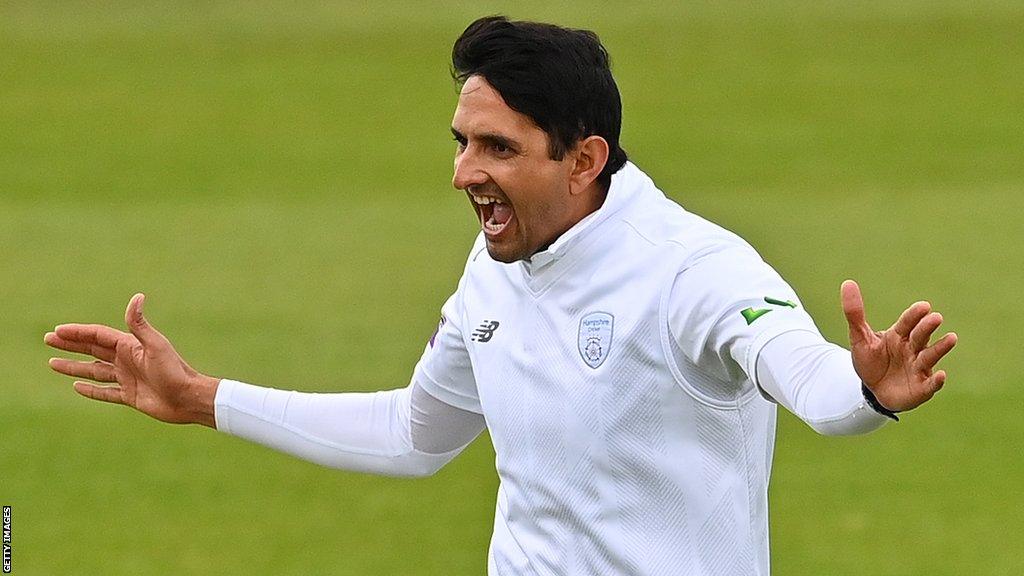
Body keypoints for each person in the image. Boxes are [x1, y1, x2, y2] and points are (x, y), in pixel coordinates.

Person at [45, 16, 957, 576]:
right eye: (462, 142)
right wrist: (204, 400)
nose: (463, 174)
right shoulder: (496, 266)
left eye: (498, 149)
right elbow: (416, 436)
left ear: (585, 159)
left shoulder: (694, 271)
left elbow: (808, 380)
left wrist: (868, 389)